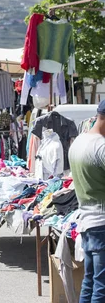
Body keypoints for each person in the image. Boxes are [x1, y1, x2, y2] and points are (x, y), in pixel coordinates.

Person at [69, 102, 105, 302]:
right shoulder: (101, 146)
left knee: (90, 282)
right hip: (102, 222)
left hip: (87, 221)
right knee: (101, 288)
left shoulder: (78, 142)